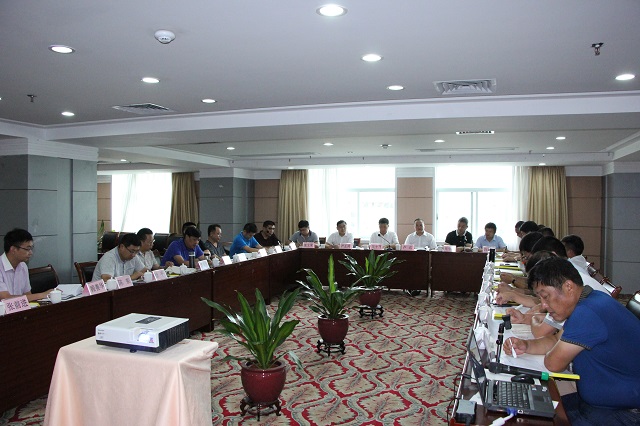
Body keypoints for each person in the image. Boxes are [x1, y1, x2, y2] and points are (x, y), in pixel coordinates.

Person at [504, 257, 640, 425]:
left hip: (624, 413)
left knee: (530, 418)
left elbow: (553, 363)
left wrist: (550, 350)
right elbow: (556, 339)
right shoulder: (590, 300)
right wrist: (526, 345)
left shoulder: (588, 312)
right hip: (599, 403)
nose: (544, 305)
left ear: (568, 287)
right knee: (532, 408)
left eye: (545, 296)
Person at [0, 228, 53, 301]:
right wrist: (43, 295)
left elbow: (28, 295)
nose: (31, 253)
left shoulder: (23, 266)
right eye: (27, 249)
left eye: (31, 248)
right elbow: (5, 298)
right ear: (13, 249)